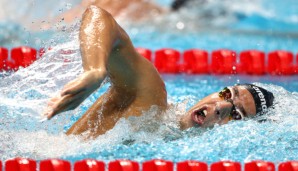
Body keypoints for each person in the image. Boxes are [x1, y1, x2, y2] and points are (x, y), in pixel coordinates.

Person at [44, 5, 274, 138]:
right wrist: (94, 70)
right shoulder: (151, 104)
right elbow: (98, 15)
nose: (222, 107)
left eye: (237, 115)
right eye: (226, 94)